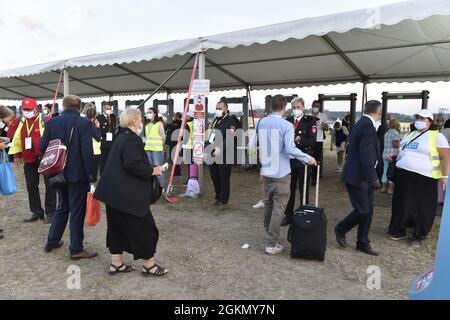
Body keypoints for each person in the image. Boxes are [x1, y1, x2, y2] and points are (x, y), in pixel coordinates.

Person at [94, 108, 168, 276]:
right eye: (140, 119)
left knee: (116, 228)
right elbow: (132, 164)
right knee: (146, 228)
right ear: (135, 121)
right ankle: (149, 265)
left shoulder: (120, 136)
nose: (141, 121)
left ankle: (117, 264)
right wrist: (153, 170)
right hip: (126, 195)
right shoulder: (132, 140)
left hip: (112, 193)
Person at [250, 94, 316, 255]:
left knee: (269, 205)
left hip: (267, 170)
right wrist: (308, 158)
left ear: (270, 106)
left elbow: (252, 144)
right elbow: (290, 149)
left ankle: (269, 235)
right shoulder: (286, 125)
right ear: (285, 107)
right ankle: (271, 243)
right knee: (278, 209)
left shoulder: (261, 122)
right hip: (281, 172)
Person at [40, 95, 98, 260]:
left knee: (62, 207)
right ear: (79, 108)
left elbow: (42, 147)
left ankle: (52, 241)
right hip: (77, 175)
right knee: (77, 212)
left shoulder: (52, 122)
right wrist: (92, 176)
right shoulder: (84, 123)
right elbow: (88, 153)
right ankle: (76, 249)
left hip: (58, 173)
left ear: (63, 107)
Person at [388, 110, 450, 245]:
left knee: (423, 207)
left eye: (422, 118)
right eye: (417, 117)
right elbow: (402, 150)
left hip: (425, 177)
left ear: (430, 121)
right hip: (404, 174)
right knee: (401, 204)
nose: (419, 120)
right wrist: (393, 155)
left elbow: (446, 157)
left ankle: (419, 234)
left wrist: (445, 176)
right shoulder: (410, 134)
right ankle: (399, 230)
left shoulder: (437, 136)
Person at [334, 100, 382, 256]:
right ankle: (341, 228)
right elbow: (366, 154)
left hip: (363, 176)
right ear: (378, 111)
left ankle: (362, 242)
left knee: (368, 211)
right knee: (363, 210)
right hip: (359, 176)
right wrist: (373, 177)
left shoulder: (362, 123)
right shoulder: (367, 126)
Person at [9, 98, 57, 224]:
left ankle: (51, 212)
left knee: (50, 185)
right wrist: (17, 155)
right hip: (29, 159)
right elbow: (17, 139)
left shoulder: (45, 120)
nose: (26, 111)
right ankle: (37, 211)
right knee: (31, 186)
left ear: (36, 108)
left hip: (45, 158)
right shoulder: (22, 121)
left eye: (29, 109)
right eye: (24, 109)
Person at [282, 97, 316, 226]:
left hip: (303, 159)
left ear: (303, 107)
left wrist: (299, 139)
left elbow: (312, 142)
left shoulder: (310, 121)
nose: (296, 110)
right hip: (289, 160)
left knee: (304, 189)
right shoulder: (288, 121)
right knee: (289, 189)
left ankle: (303, 214)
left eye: (298, 107)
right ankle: (288, 215)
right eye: (294, 107)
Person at [206, 101, 239, 211]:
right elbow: (211, 135)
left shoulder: (231, 121)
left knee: (224, 178)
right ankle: (217, 196)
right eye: (216, 108)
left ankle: (224, 201)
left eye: (220, 108)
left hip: (225, 154)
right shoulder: (215, 120)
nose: (218, 110)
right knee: (214, 176)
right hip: (212, 153)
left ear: (226, 109)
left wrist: (220, 148)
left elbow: (229, 138)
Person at [144, 107, 166, 186]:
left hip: (157, 150)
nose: (148, 114)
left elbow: (163, 136)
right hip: (148, 149)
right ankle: (153, 186)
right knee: (151, 169)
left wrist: (161, 145)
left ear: (155, 114)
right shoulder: (146, 124)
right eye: (147, 112)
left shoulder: (159, 123)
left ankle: (161, 186)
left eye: (150, 112)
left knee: (158, 169)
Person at [381, 118, 400, 194]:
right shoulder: (395, 133)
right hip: (392, 154)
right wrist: (400, 143)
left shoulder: (387, 132)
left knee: (385, 171)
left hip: (385, 153)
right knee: (392, 172)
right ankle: (390, 189)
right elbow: (395, 145)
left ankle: (383, 188)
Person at [311, 100, 328, 183]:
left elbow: (326, 128)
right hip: (309, 140)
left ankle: (315, 178)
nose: (316, 108)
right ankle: (308, 175)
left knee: (316, 159)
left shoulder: (323, 116)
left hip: (319, 140)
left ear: (319, 107)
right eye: (314, 106)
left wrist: (324, 126)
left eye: (317, 106)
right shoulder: (308, 115)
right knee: (307, 158)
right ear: (312, 106)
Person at [96, 103, 117, 174]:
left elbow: (113, 129)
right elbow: (98, 130)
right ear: (103, 109)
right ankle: (102, 176)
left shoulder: (113, 117)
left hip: (112, 143)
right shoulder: (99, 118)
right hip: (104, 143)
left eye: (110, 109)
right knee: (103, 162)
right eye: (107, 109)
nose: (109, 110)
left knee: (111, 161)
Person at [82, 103, 102, 173]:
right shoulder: (90, 124)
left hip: (84, 150)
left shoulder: (81, 121)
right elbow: (98, 137)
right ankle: (92, 183)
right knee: (92, 172)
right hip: (94, 151)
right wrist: (98, 127)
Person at [166, 112, 182, 176]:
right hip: (172, 142)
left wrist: (169, 125)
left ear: (177, 116)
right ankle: (175, 171)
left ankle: (177, 171)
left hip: (175, 142)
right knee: (172, 157)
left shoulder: (179, 123)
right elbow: (168, 126)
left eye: (175, 116)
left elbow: (172, 127)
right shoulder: (174, 122)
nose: (174, 117)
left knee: (174, 157)